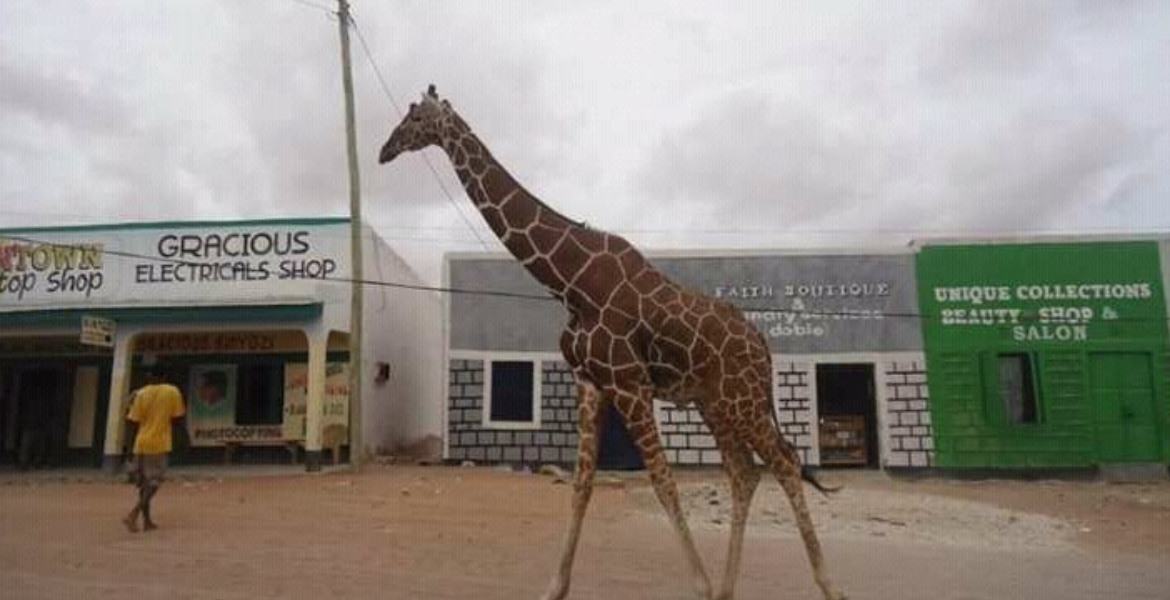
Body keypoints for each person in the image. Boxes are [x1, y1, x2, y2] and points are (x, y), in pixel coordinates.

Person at [123, 368, 185, 533]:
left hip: (140, 443)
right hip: (159, 443)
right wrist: (183, 439)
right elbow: (178, 418)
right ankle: (134, 513)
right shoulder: (172, 391)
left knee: (144, 484)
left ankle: (147, 521)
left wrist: (128, 449)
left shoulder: (140, 394)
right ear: (164, 376)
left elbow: (132, 423)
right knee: (154, 483)